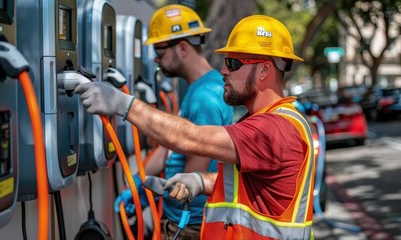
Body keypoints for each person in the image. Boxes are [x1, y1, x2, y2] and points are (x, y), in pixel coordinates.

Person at [75, 14, 315, 239]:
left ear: (264, 69)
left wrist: (123, 104)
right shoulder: (264, 120)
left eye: (232, 63)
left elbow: (192, 138)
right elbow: (251, 188)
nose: (223, 71)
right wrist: (201, 182)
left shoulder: (274, 129)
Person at [112, 4, 233, 240]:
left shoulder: (203, 97)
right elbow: (170, 146)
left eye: (160, 52)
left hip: (190, 222)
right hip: (184, 218)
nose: (157, 61)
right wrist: (139, 182)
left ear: (183, 48)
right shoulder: (200, 88)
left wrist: (160, 193)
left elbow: (195, 167)